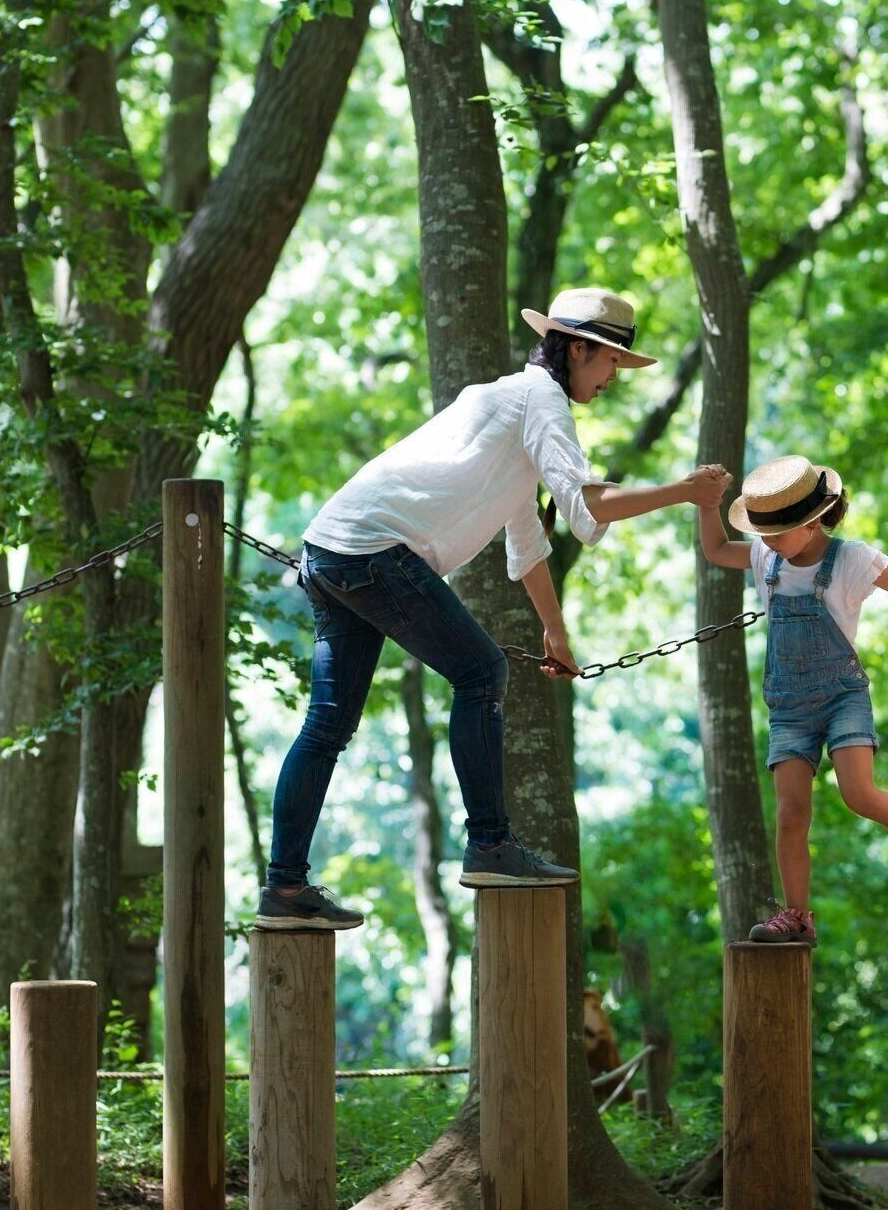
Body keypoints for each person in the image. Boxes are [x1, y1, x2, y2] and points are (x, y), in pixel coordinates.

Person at [260, 287, 727, 930]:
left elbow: (527, 543)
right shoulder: (542, 402)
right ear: (580, 349)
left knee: (329, 724)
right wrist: (685, 491)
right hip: (373, 551)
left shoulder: (509, 405)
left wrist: (555, 634)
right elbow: (586, 506)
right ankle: (490, 845)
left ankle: (283, 889)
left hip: (330, 547)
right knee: (481, 674)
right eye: (612, 362)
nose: (615, 377)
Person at [698, 455, 888, 946]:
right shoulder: (763, 557)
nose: (767, 540)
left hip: (842, 696)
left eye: (777, 530)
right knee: (791, 812)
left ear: (813, 521)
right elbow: (715, 549)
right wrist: (704, 503)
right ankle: (797, 915)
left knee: (858, 793)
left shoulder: (852, 559)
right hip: (789, 707)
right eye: (763, 530)